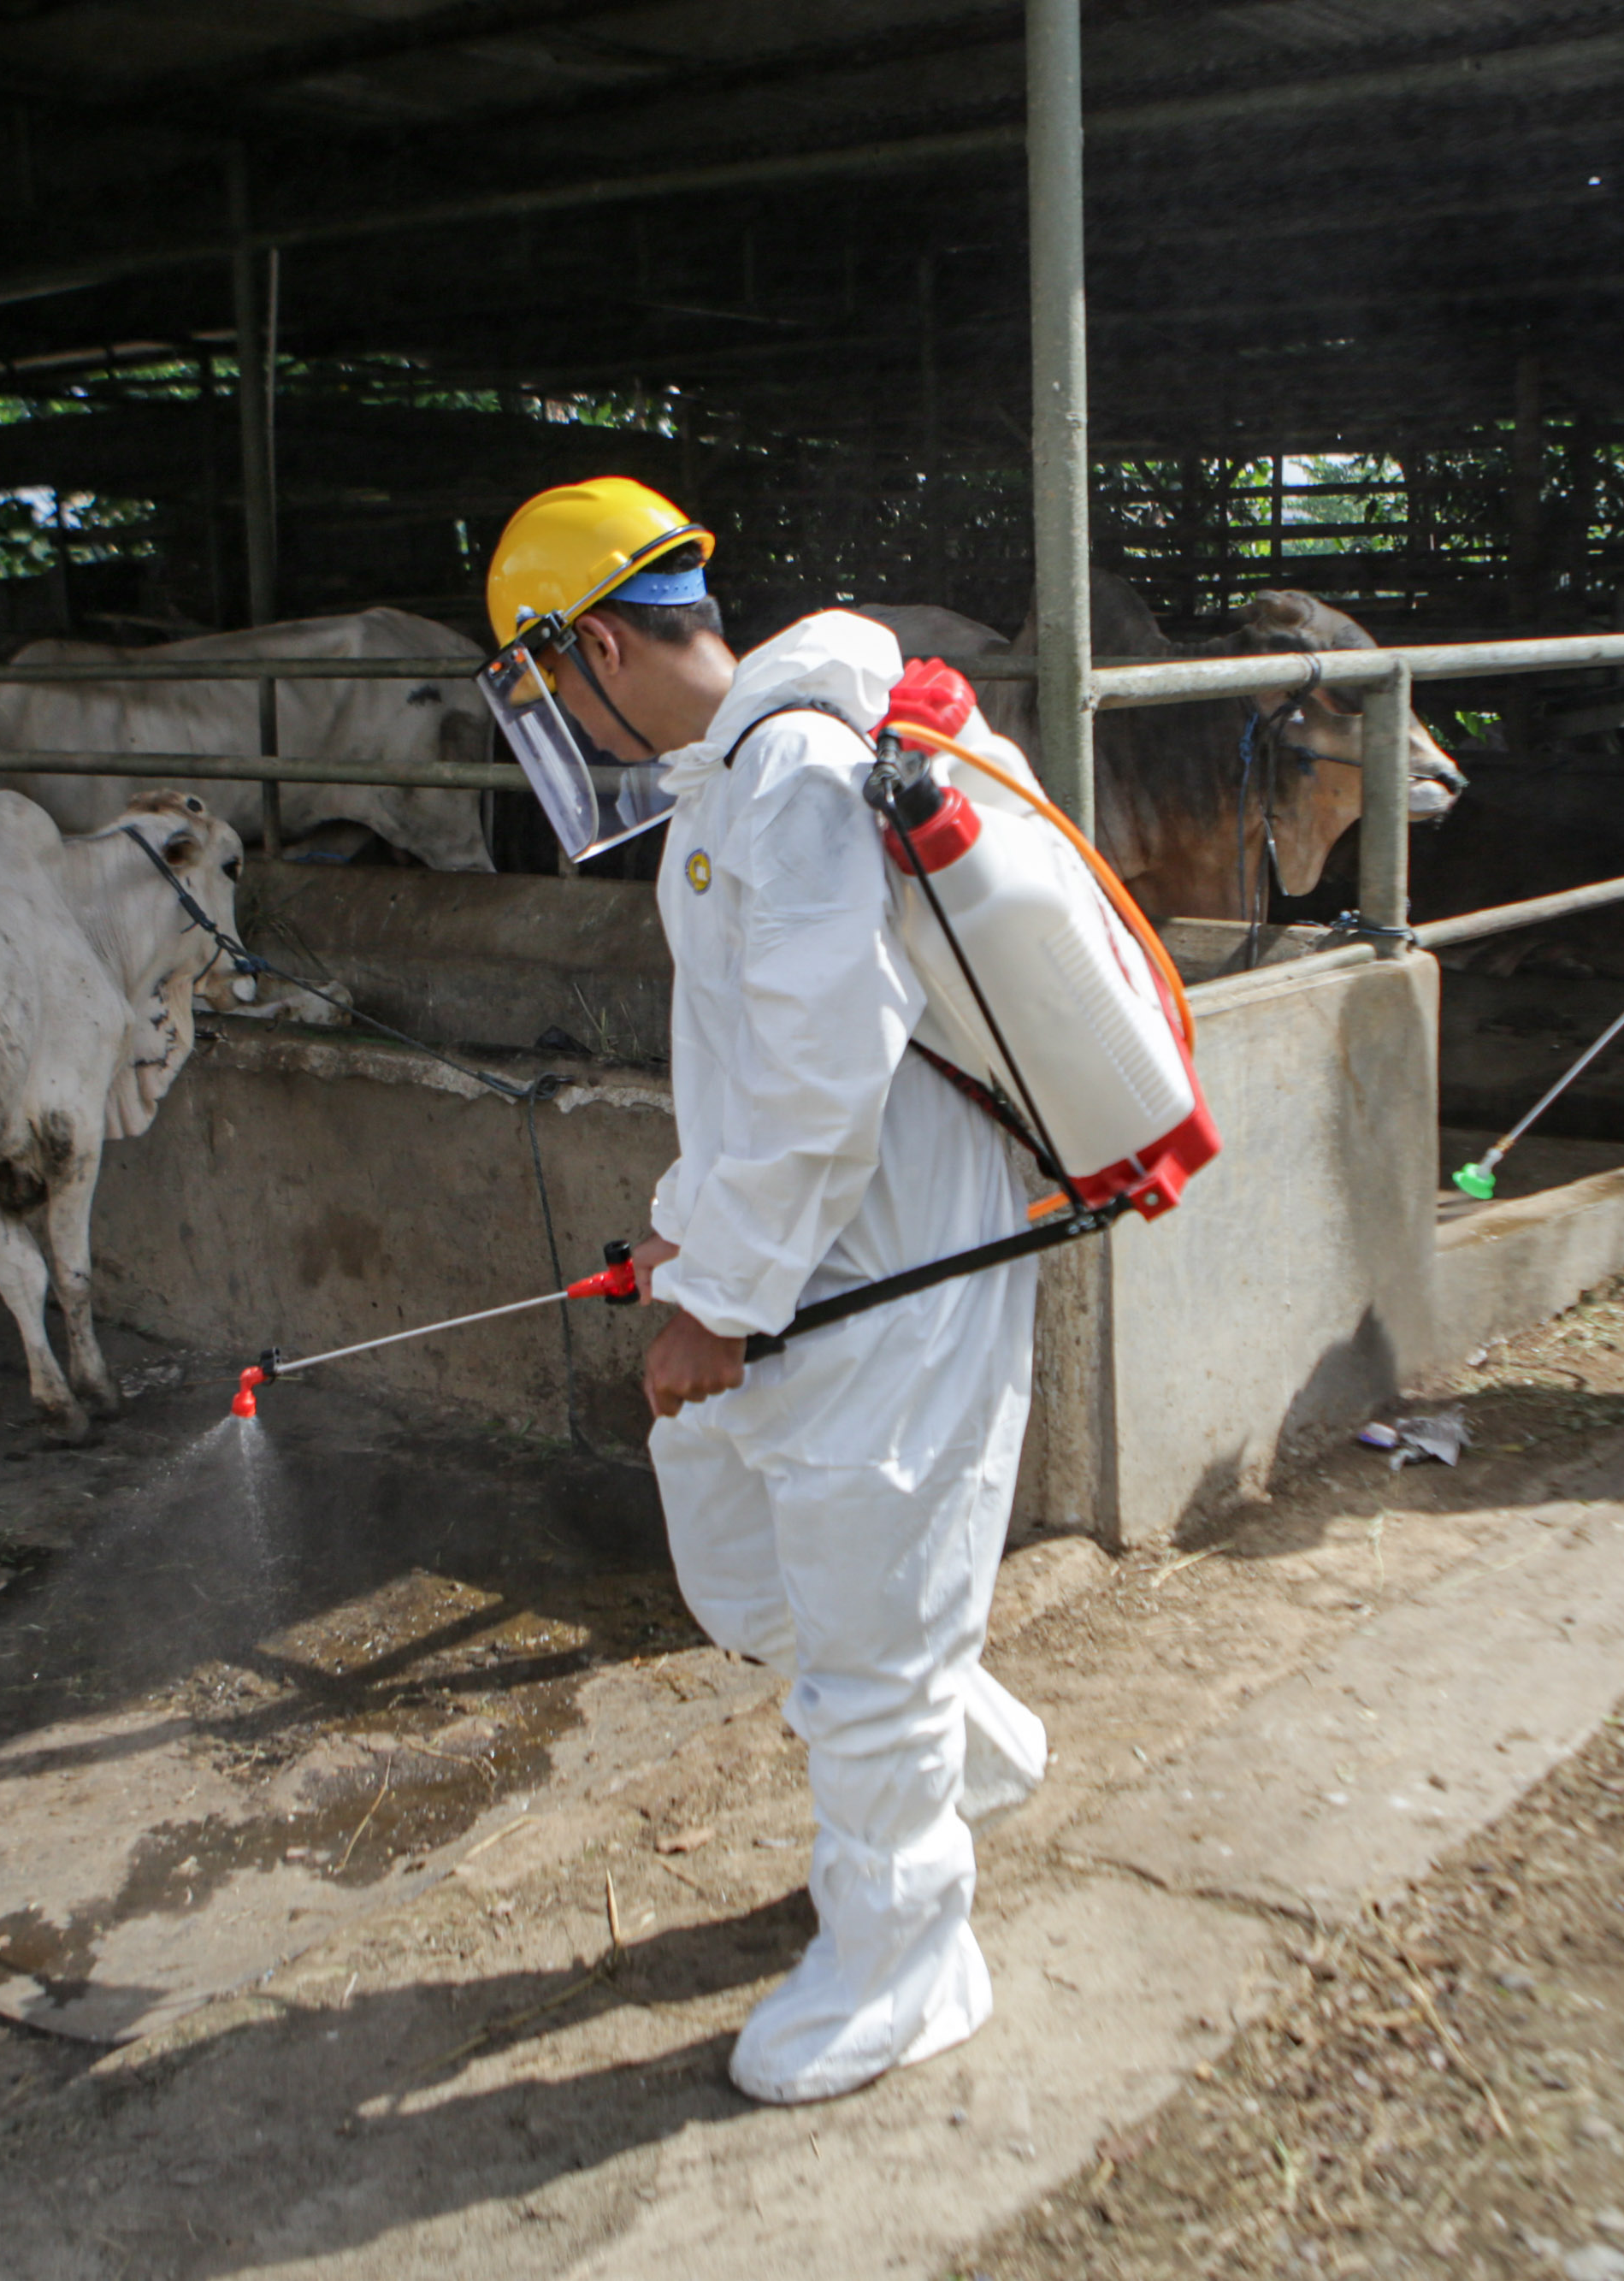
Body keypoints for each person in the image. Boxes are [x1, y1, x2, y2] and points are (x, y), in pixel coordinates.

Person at [476, 477, 1048, 2104]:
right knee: (745, 1555)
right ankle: (965, 1740)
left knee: (864, 1631)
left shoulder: (791, 776)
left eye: (546, 684)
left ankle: (908, 1961)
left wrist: (715, 1304)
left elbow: (819, 1082)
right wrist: (691, 1240)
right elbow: (749, 1070)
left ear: (594, 646)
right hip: (821, 1254)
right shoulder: (732, 783)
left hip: (897, 1266)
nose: (558, 724)